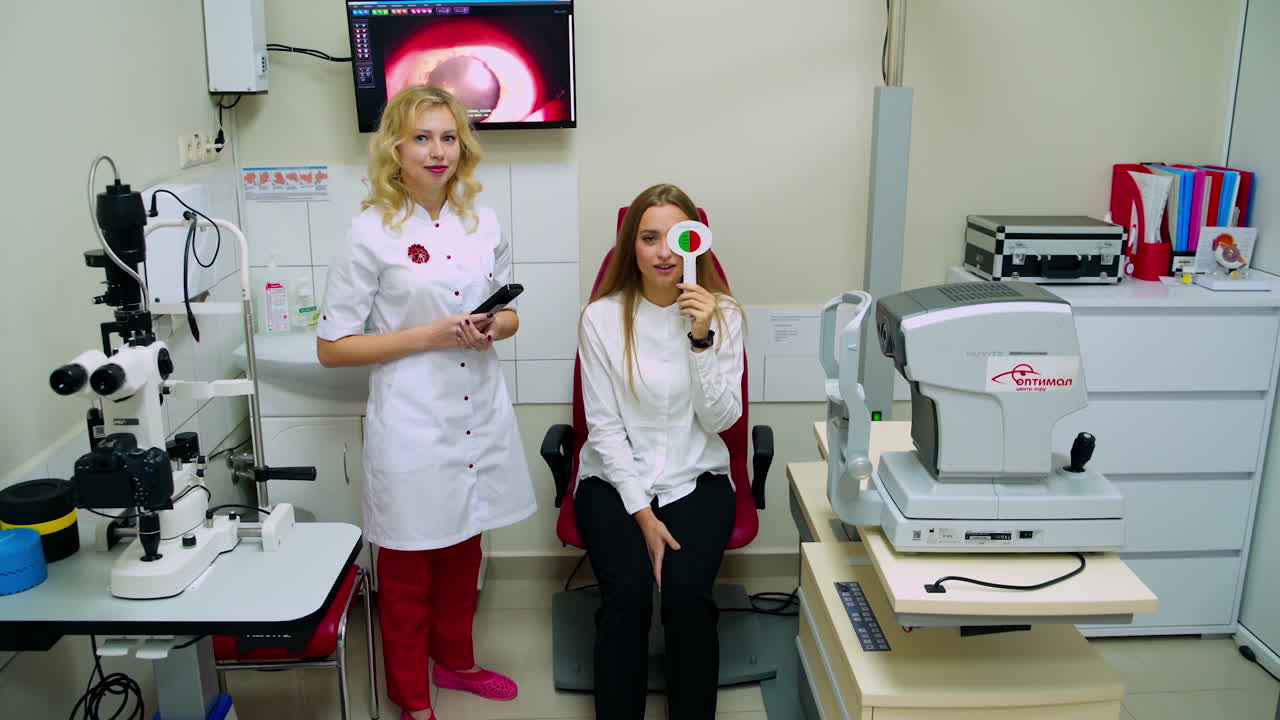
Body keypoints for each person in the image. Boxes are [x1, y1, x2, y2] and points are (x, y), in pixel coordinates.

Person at [316, 85, 535, 720]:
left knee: (465, 554)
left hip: (477, 415)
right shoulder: (369, 231)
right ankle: (411, 696)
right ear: (396, 148)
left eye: (448, 137)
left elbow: (510, 314)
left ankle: (456, 662)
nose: (437, 151)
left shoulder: (482, 222)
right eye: (421, 138)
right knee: (409, 572)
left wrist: (493, 326)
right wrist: (431, 335)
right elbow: (332, 347)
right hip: (411, 421)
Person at [574, 183, 745, 719]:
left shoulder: (724, 314)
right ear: (631, 246)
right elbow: (604, 429)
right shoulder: (601, 318)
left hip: (696, 477)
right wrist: (643, 516)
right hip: (614, 480)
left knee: (686, 597)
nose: (664, 252)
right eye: (649, 238)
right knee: (626, 598)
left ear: (697, 243)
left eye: (677, 237)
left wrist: (701, 338)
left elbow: (721, 420)